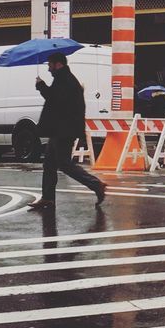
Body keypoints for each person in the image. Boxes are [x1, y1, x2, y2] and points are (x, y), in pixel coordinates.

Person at [30, 53, 105, 210]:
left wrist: (41, 86)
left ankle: (96, 184)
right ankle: (48, 198)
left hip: (63, 131)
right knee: (49, 164)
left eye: (50, 65)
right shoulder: (63, 79)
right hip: (60, 129)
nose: (49, 68)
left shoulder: (67, 81)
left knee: (64, 164)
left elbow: (55, 100)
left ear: (58, 64)